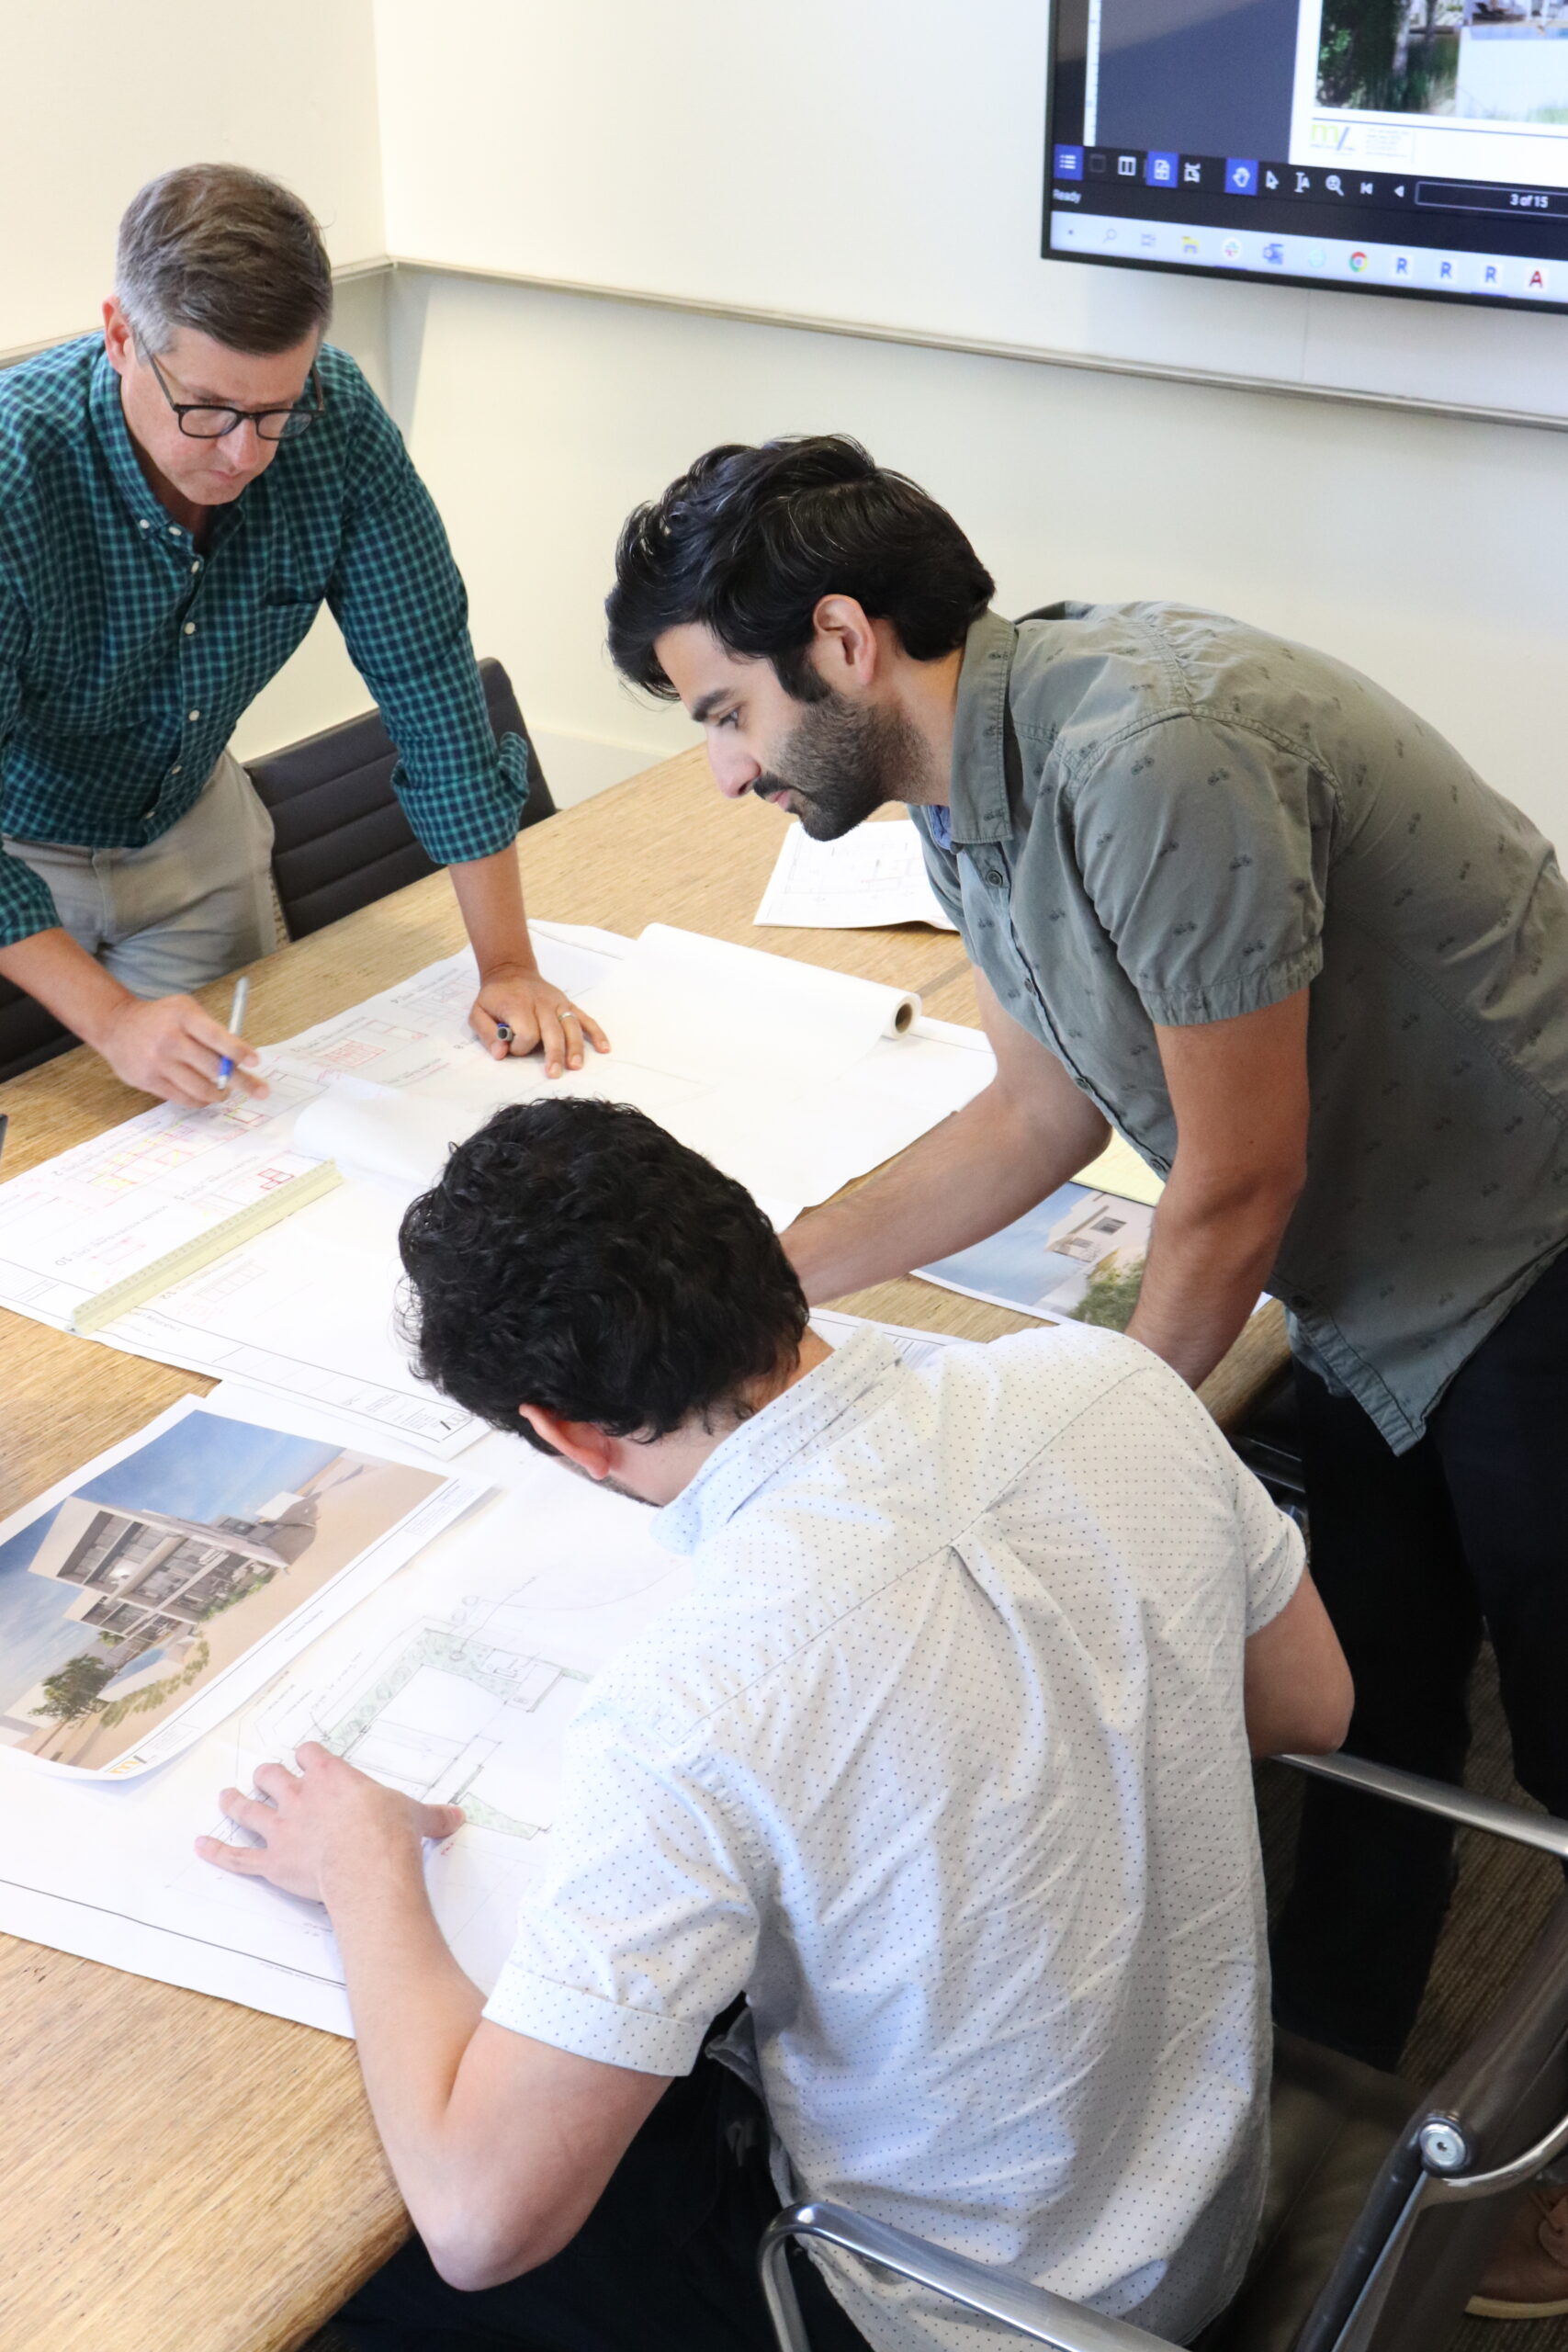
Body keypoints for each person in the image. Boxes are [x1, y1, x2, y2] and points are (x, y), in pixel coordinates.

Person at [605, 441, 1568, 2096]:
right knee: (1366, 1695)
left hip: (1523, 1255)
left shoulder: (1148, 756)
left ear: (840, 642)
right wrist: (759, 1291)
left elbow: (1237, 1180)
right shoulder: (957, 793)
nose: (725, 771)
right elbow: (1032, 1114)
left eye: (721, 713)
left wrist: (1067, 1454)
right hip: (1373, 1289)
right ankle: (1334, 2081)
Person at [198, 1097, 1349, 2352]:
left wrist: (364, 1866)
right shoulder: (1106, 1381)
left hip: (950, 2311)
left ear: (565, 1435)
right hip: (1190, 2212)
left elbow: (484, 2221)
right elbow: (1310, 1705)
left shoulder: (700, 1698)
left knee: (369, 2294)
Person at [0, 164, 604, 1110]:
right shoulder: (13, 469)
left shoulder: (338, 420)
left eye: (275, 412)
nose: (244, 454)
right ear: (121, 336)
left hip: (189, 830)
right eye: (207, 411)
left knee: (236, 1134)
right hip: (16, 843)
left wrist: (508, 967)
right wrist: (115, 1020)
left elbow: (433, 685)